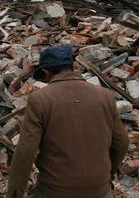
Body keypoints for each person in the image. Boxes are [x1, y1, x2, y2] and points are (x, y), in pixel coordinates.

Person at [7, 45, 129, 198]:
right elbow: (122, 143)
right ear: (72, 67)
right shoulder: (104, 95)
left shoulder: (41, 99)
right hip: (99, 190)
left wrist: (14, 193)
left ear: (46, 72)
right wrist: (107, 175)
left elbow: (26, 152)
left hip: (55, 191)